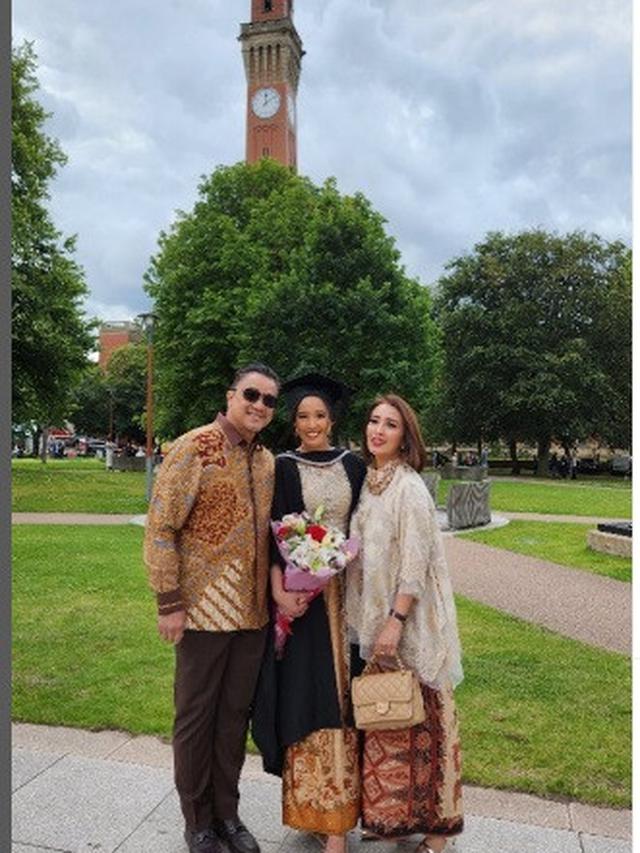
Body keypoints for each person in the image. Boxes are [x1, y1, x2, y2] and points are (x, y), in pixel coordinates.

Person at [144, 363, 280, 853]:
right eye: (251, 394)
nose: (259, 405)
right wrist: (169, 602)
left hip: (251, 617)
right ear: (231, 396)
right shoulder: (193, 447)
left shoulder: (266, 462)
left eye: (269, 400)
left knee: (233, 719)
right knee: (197, 717)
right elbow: (161, 527)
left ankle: (228, 814)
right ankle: (197, 821)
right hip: (201, 613)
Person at [252, 373, 366, 853]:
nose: (311, 424)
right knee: (308, 695)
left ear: (332, 420)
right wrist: (280, 592)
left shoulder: (354, 465)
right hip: (305, 604)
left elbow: (366, 525)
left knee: (348, 697)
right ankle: (314, 808)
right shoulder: (282, 466)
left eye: (319, 416)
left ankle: (342, 814)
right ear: (293, 422)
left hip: (350, 596)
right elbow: (273, 537)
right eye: (302, 416)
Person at [346, 394, 464, 853]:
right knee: (391, 719)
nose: (378, 430)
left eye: (390, 424)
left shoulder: (409, 488)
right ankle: (394, 818)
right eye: (373, 420)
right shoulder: (371, 482)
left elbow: (414, 565)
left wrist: (395, 621)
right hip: (374, 621)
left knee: (428, 722)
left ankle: (439, 833)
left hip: (410, 624)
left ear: (405, 436)